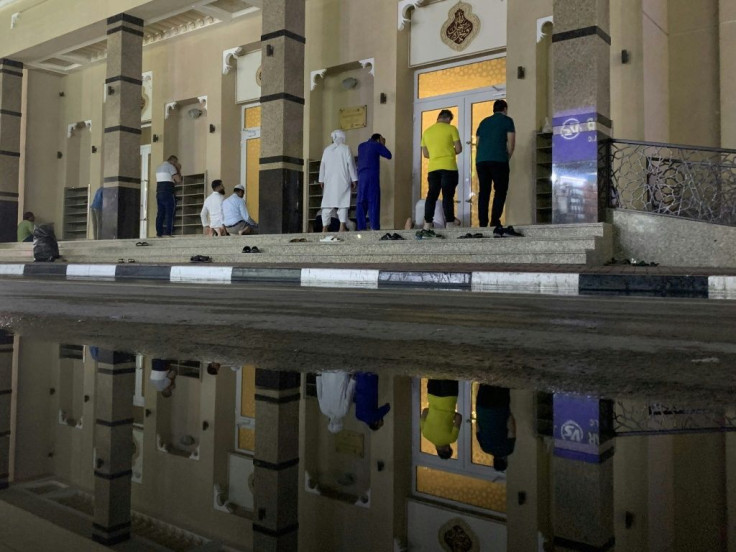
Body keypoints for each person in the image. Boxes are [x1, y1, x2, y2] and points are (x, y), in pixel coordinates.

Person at [476, 99, 522, 237]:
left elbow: (477, 143)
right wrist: (506, 158)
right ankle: (494, 221)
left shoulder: (483, 122)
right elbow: (511, 143)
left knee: (484, 191)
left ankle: (482, 223)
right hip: (498, 160)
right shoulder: (507, 121)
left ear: (493, 109)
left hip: (481, 161)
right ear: (505, 109)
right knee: (500, 190)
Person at [419, 110, 462, 237]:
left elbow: (426, 154)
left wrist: (436, 154)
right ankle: (449, 222)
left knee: (432, 195)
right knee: (448, 195)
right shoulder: (451, 129)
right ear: (448, 118)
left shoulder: (427, 132)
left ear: (438, 118)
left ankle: (427, 223)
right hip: (449, 167)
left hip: (433, 169)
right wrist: (448, 152)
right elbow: (458, 148)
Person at [319, 129, 357, 233]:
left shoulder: (326, 150)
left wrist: (321, 180)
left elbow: (322, 166)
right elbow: (351, 165)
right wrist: (354, 179)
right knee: (343, 204)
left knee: (327, 205)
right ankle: (342, 227)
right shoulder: (346, 148)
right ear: (343, 138)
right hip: (343, 180)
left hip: (329, 182)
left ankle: (324, 228)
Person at [475, 384, 516, 472]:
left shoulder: (508, 449)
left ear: (505, 460)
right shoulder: (485, 448)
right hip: (482, 408)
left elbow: (511, 430)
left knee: (501, 382)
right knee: (485, 382)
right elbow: (477, 427)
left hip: (499, 410)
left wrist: (509, 415)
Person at [356, 133, 392, 231]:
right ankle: (374, 228)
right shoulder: (376, 145)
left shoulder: (361, 146)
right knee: (373, 201)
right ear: (379, 139)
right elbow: (389, 155)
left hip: (361, 177)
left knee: (361, 202)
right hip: (372, 177)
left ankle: (361, 228)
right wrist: (382, 145)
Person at [420, 379, 462, 459]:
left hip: (448, 398)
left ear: (446, 449)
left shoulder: (452, 438)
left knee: (449, 372)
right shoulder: (425, 434)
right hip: (432, 396)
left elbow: (458, 417)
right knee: (435, 372)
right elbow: (425, 411)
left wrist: (449, 414)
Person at [155, 155, 182, 238]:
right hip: (168, 192)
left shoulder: (159, 167)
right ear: (173, 161)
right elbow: (178, 180)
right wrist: (178, 169)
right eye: (176, 162)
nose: (176, 164)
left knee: (160, 213)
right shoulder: (171, 167)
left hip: (159, 192)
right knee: (170, 213)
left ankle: (159, 233)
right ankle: (168, 233)